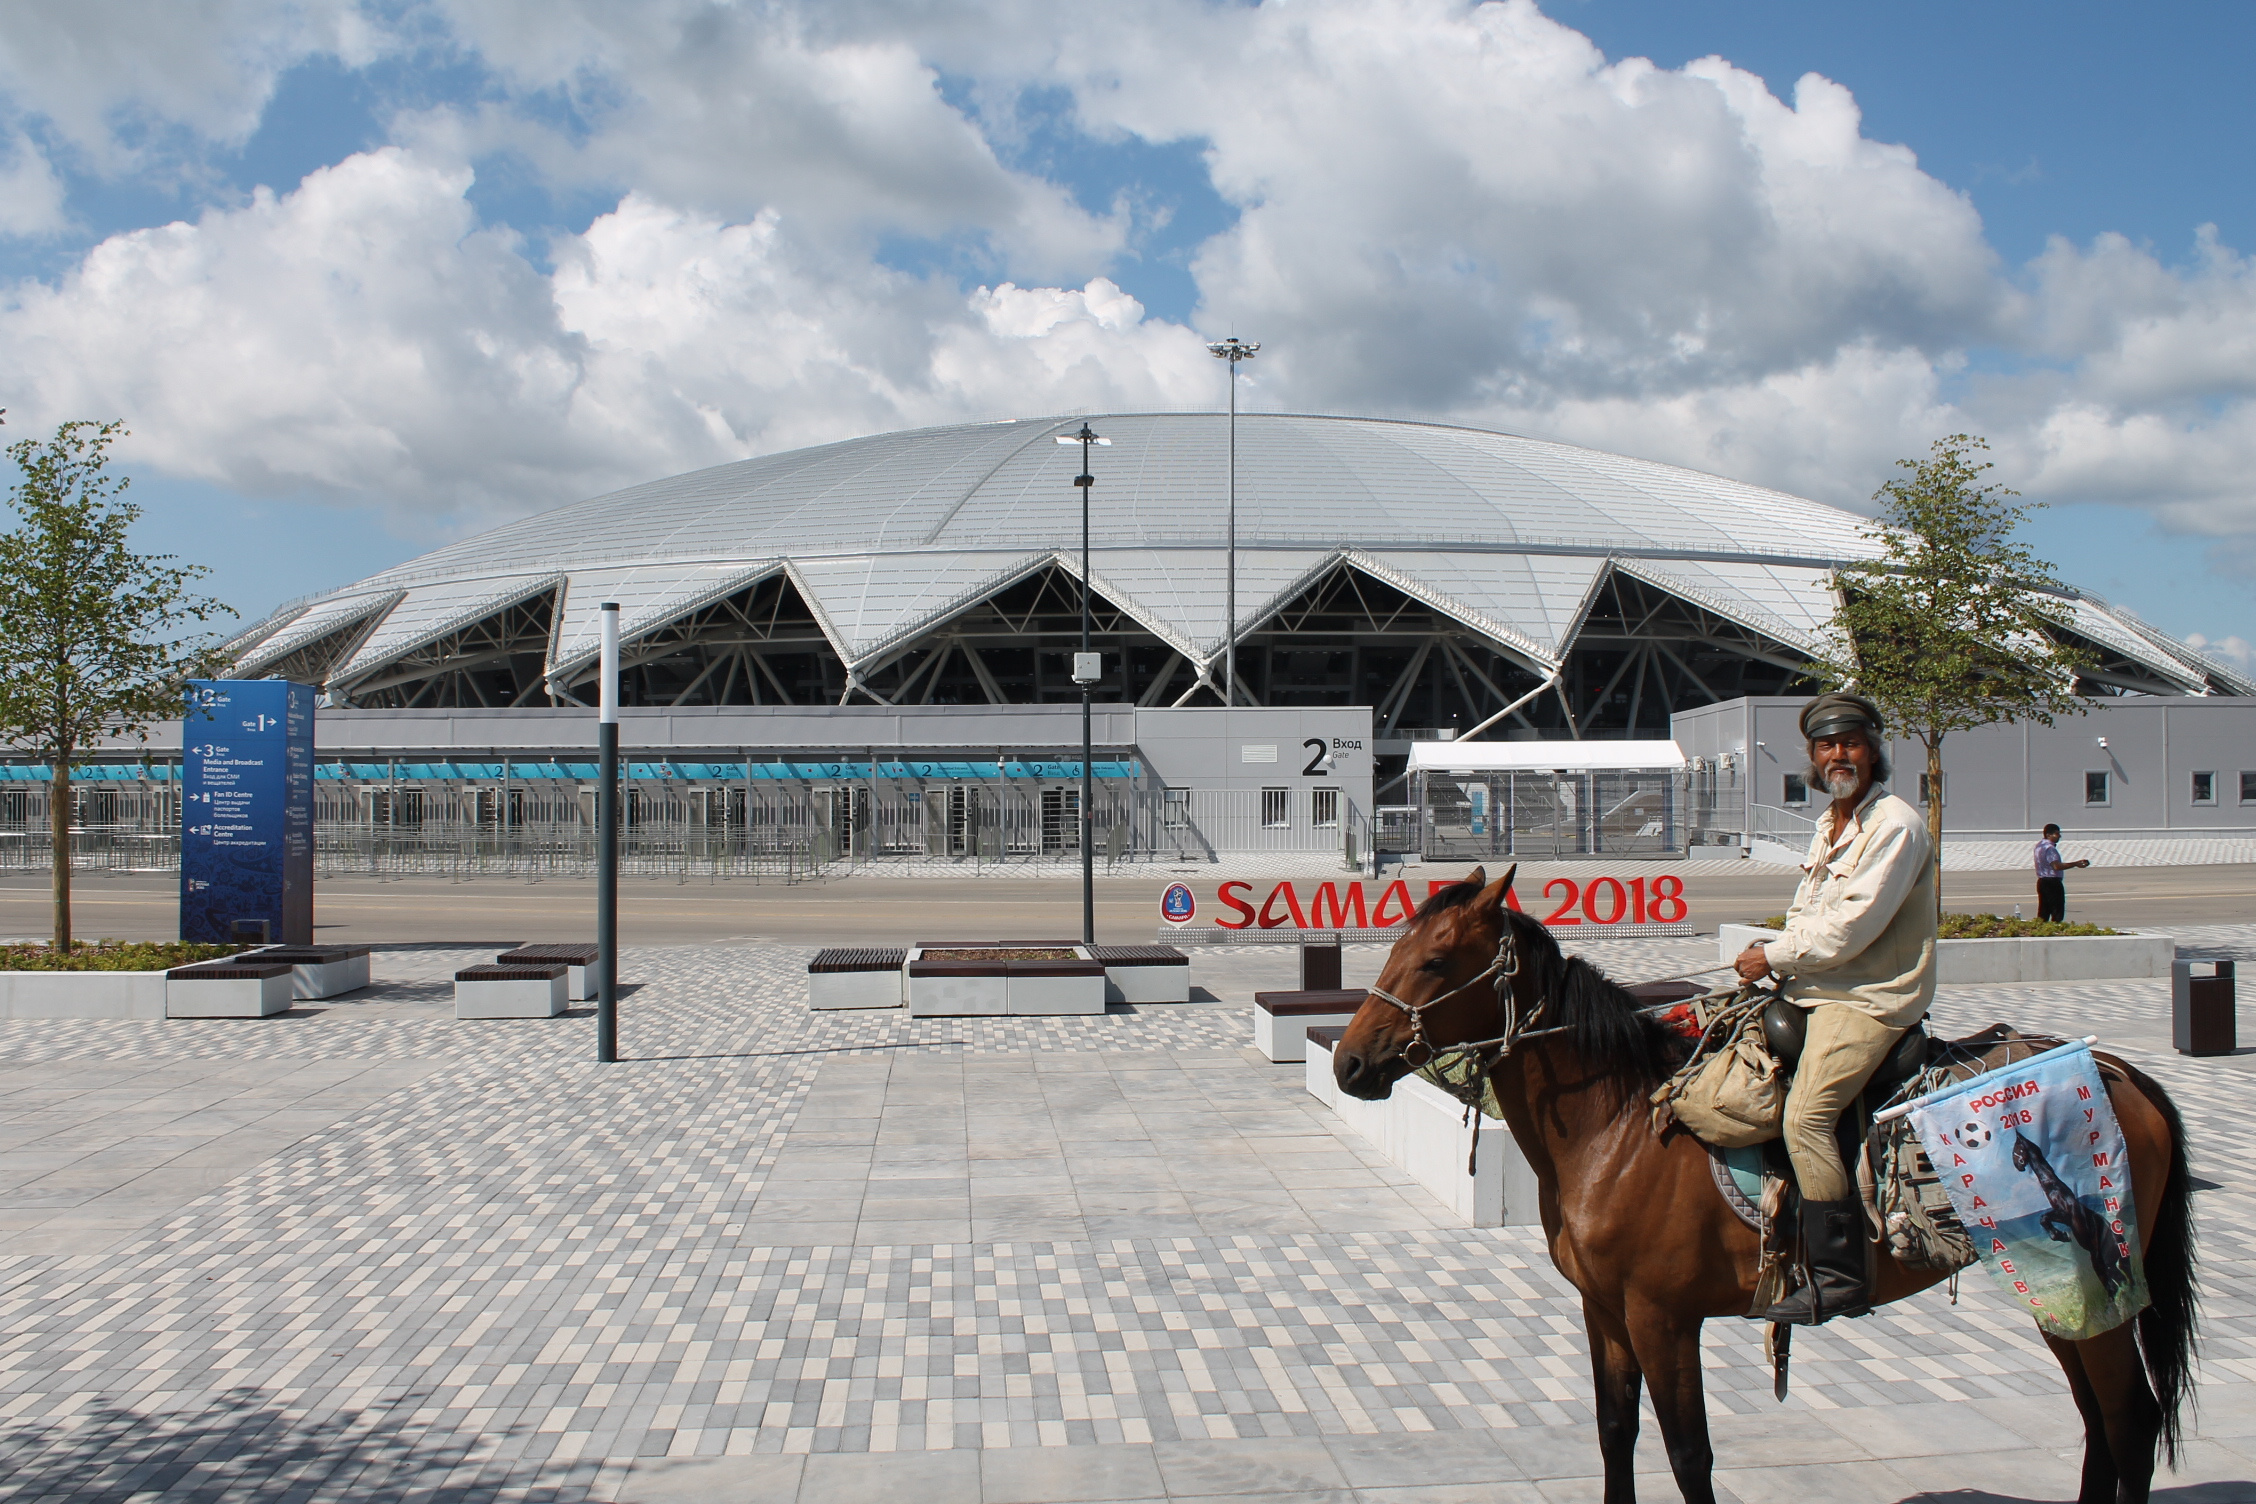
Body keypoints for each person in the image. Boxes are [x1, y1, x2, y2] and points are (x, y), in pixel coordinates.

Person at [1731, 692, 1938, 1324]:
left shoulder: (1895, 825)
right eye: (1826, 745)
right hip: (1813, 988)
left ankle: (1839, 1276)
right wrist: (1775, 953)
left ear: (1874, 751)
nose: (1838, 754)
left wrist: (1776, 955)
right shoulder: (1832, 823)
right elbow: (1809, 911)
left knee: (1805, 1119)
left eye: (1850, 742)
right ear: (1814, 759)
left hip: (1869, 999)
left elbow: (1851, 927)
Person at [2034, 824, 2090, 923]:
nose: (2059, 836)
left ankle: (2042, 929)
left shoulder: (2039, 846)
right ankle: (2056, 929)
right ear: (2048, 835)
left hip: (2042, 881)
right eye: (2057, 834)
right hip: (2052, 882)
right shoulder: (2050, 849)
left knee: (2044, 910)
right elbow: (2056, 866)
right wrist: (2075, 864)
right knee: (2057, 910)